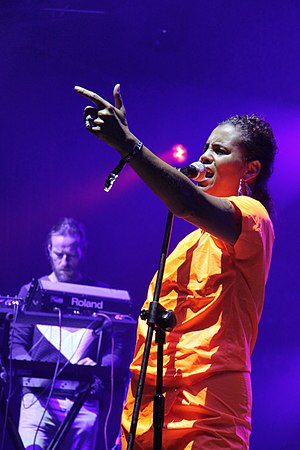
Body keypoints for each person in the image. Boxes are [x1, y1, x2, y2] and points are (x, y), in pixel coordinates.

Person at [75, 84, 276, 449]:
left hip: (207, 408)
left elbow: (186, 202)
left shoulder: (254, 218)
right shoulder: (187, 244)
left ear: (251, 169)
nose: (205, 157)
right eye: (206, 147)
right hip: (147, 407)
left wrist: (129, 145)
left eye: (220, 150)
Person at [10, 217, 124, 450]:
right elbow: (16, 343)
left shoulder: (102, 294)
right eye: (59, 254)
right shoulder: (31, 292)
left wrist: (99, 367)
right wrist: (31, 369)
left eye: (71, 255)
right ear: (49, 250)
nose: (64, 262)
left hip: (84, 400)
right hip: (37, 399)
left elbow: (117, 347)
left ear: (82, 252)